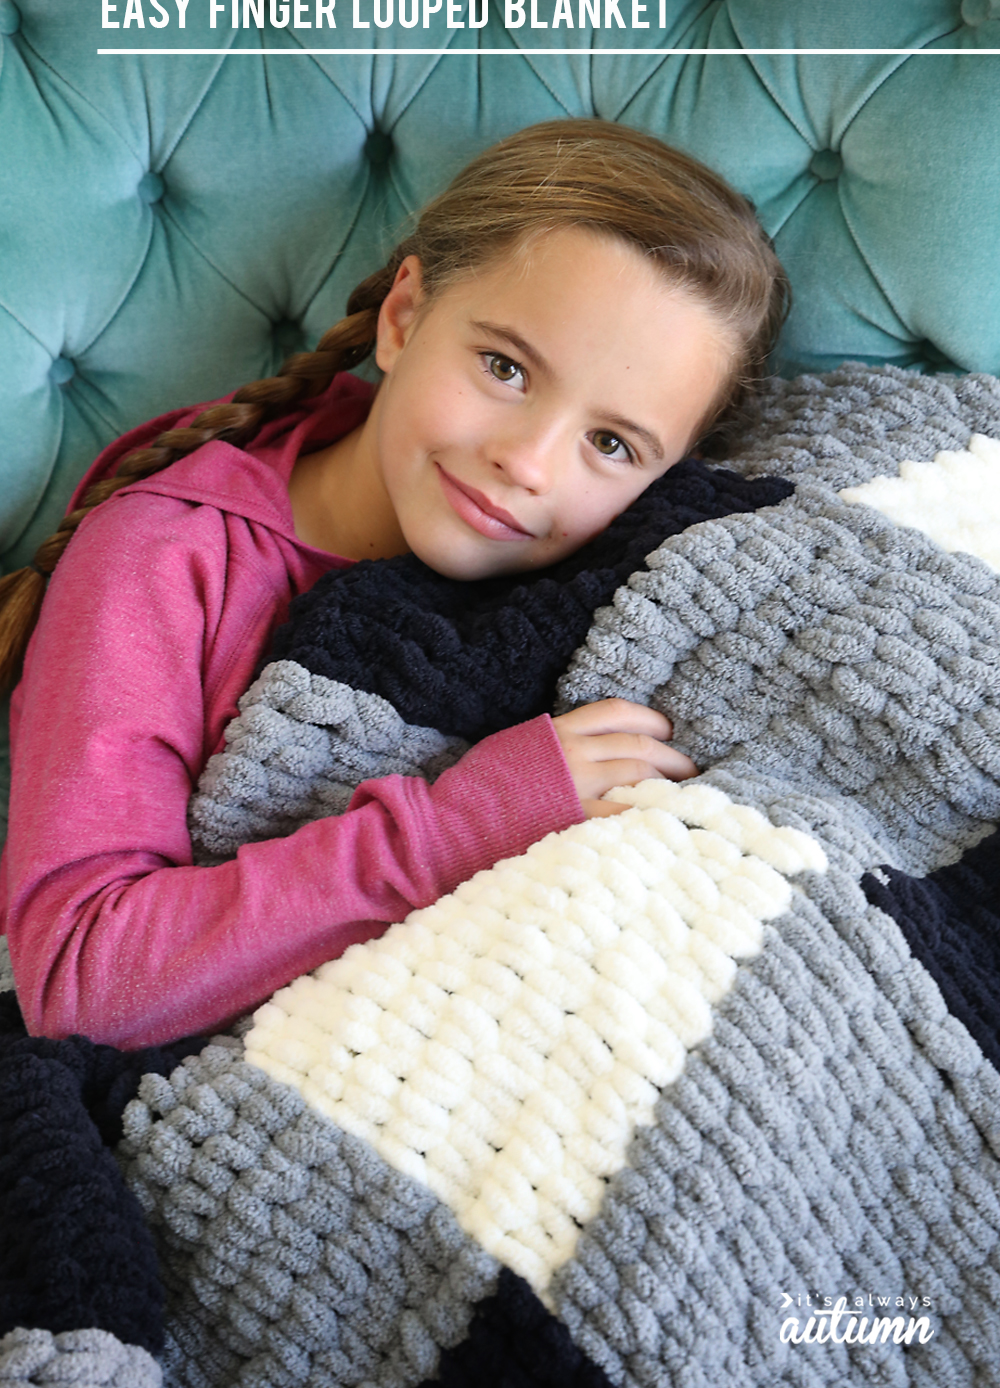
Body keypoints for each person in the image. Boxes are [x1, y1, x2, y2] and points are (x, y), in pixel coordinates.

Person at [0, 119, 790, 1049]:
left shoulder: (616, 575)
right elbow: (79, 979)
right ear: (404, 316)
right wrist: (465, 820)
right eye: (505, 368)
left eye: (609, 444)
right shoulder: (159, 561)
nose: (526, 464)